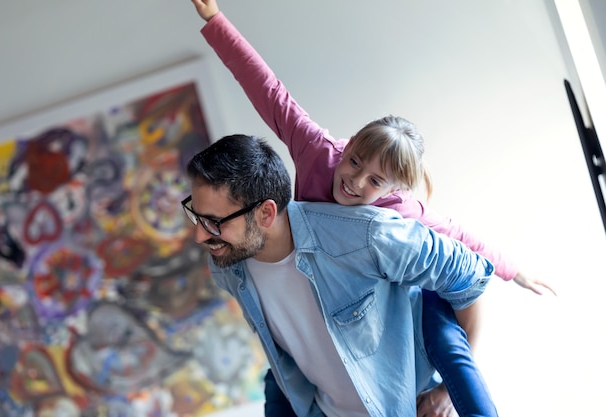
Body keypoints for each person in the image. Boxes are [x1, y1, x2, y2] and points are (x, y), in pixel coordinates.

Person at [189, 1, 555, 416]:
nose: (354, 182)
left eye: (375, 181)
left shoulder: (395, 217)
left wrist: (515, 270)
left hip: (401, 307)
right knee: (280, 376)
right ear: (348, 148)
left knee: (439, 321)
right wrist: (215, 22)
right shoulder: (318, 152)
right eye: (355, 161)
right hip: (318, 327)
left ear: (391, 190)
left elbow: (460, 240)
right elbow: (269, 91)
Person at [183, 133, 494, 417]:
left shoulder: (367, 236)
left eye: (213, 221)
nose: (199, 236)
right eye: (196, 216)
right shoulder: (228, 265)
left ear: (266, 213)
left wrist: (449, 390)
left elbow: (470, 277)